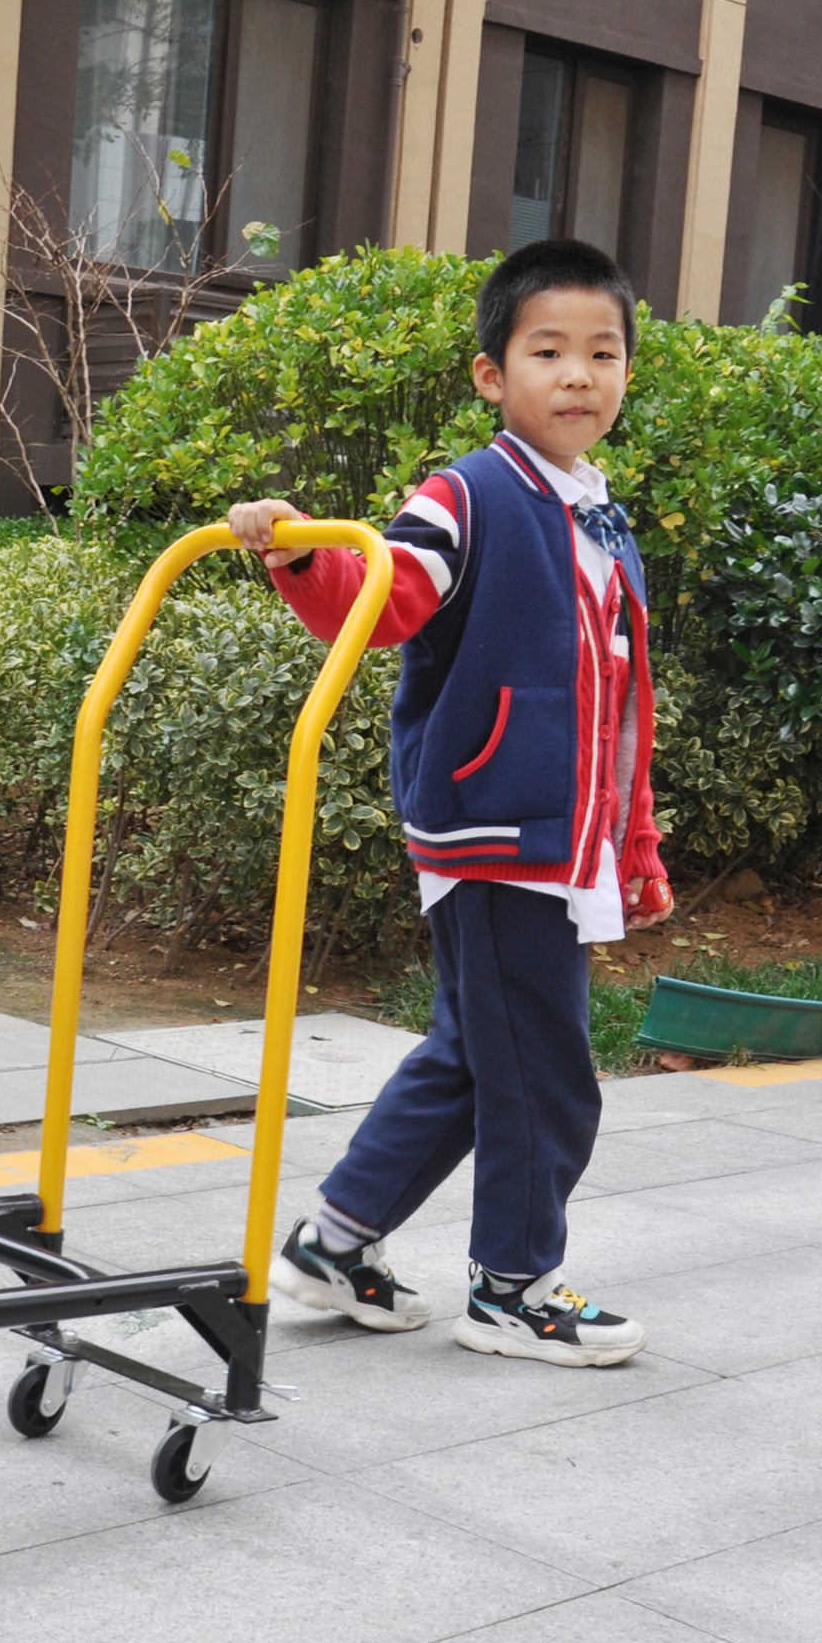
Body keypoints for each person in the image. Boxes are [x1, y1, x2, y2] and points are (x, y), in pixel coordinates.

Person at [228, 238, 673, 1368]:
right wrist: (294, 554)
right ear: (492, 376)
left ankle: (333, 1243)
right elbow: (382, 595)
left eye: (601, 352)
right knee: (544, 1073)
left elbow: (616, 702)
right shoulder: (468, 492)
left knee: (474, 1055)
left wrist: (628, 842)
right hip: (494, 826)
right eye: (547, 351)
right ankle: (513, 1286)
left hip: (552, 837)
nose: (577, 374)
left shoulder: (597, 512)